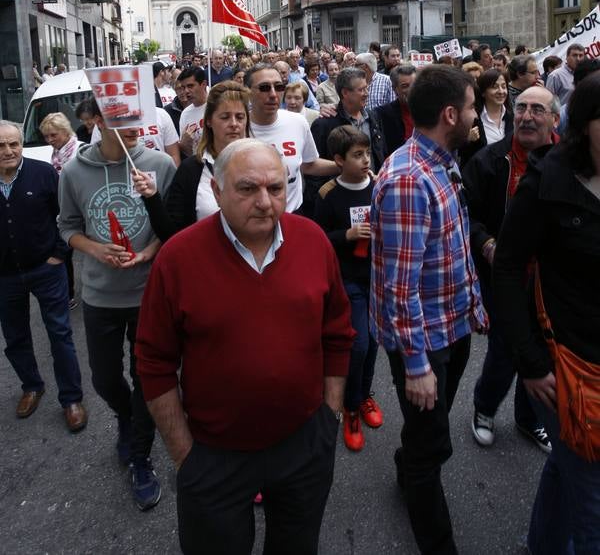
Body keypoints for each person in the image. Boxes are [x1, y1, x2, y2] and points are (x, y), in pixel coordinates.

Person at [135, 139, 354, 555]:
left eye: (275, 188)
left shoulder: (312, 240)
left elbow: (337, 333)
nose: (265, 203)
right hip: (214, 455)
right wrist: (184, 455)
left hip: (304, 444)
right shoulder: (179, 257)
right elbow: (154, 360)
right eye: (248, 189)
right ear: (217, 192)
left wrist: (330, 416)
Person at [370, 65, 486, 555]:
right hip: (425, 345)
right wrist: (416, 366)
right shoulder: (407, 180)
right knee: (429, 449)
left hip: (451, 329)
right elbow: (400, 290)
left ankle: (410, 459)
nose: (478, 117)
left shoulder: (442, 159)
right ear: (449, 114)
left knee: (426, 434)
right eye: (473, 109)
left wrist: (474, 308)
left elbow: (453, 245)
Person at [494, 71, 600, 555]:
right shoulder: (546, 180)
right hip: (568, 367)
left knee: (566, 468)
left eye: (540, 109)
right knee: (593, 502)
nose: (528, 117)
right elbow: (509, 270)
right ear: (583, 124)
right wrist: (531, 362)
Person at [58, 107, 176, 511]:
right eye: (119, 123)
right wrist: (94, 248)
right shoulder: (74, 172)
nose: (132, 131)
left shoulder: (158, 163)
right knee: (105, 378)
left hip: (148, 293)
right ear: (97, 123)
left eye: (136, 123)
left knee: (146, 375)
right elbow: (68, 226)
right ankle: (129, 417)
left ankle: (141, 456)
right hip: (100, 294)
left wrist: (147, 252)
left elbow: (173, 226)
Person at [463, 85, 559, 455]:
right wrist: (486, 244)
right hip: (504, 279)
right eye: (521, 108)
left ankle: (528, 416)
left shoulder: (568, 161)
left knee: (542, 349)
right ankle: (485, 408)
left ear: (554, 119)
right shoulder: (488, 160)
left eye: (538, 109)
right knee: (506, 348)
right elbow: (464, 214)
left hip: (552, 281)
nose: (527, 116)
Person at [0, 120, 86, 432]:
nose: (8, 151)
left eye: (13, 144)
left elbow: (66, 217)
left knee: (60, 334)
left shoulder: (44, 173)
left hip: (46, 270)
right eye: (1, 146)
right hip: (5, 277)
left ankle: (72, 398)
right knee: (15, 337)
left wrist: (59, 256)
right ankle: (31, 386)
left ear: (21, 145)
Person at [314, 126, 382, 453]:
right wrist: (347, 235)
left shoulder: (380, 185)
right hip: (348, 280)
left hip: (378, 277)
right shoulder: (329, 194)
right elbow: (319, 238)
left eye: (367, 153)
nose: (366, 159)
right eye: (357, 155)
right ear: (339, 160)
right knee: (358, 345)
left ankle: (365, 395)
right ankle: (351, 407)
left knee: (374, 344)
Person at [134, 81, 250, 240]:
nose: (234, 124)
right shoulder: (191, 170)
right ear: (208, 121)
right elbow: (172, 234)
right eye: (225, 117)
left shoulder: (261, 163)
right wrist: (152, 197)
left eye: (240, 117)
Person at [244, 64, 337, 214]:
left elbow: (308, 164)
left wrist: (343, 166)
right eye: (264, 88)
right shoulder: (237, 129)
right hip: (253, 218)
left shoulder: (297, 122)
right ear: (248, 93)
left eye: (279, 87)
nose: (273, 94)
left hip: (293, 213)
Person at [39, 112, 82, 306]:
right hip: (63, 208)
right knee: (66, 253)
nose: (49, 140)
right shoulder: (58, 152)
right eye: (46, 136)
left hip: (79, 209)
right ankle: (68, 294)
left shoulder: (78, 149)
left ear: (65, 132)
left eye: (53, 135)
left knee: (70, 252)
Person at [310, 68, 386, 176]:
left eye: (366, 88)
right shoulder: (324, 124)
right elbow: (314, 168)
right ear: (345, 92)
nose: (366, 93)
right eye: (361, 90)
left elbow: (381, 152)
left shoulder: (373, 117)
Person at [459, 68, 513, 166]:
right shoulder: (472, 119)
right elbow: (458, 153)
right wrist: (467, 140)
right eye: (495, 87)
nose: (501, 91)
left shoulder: (513, 117)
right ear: (483, 92)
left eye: (504, 86)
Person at [375, 64, 416, 157]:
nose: (411, 90)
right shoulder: (382, 114)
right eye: (405, 86)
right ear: (394, 89)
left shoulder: (431, 110)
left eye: (414, 85)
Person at [178, 67, 208, 157]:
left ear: (203, 84)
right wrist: (184, 144)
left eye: (190, 86)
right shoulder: (185, 114)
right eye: (183, 87)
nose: (186, 91)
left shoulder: (218, 105)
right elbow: (187, 152)